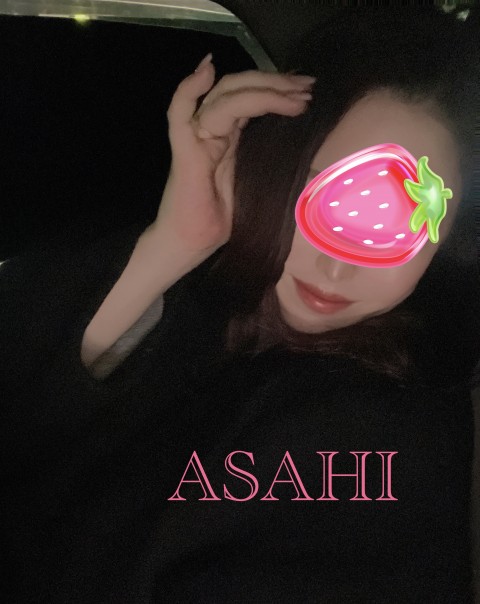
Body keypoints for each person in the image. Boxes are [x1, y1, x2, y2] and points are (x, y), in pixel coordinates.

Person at [1, 6, 480, 603]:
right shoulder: (204, 301)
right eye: (317, 195)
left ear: (448, 236)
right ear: (274, 167)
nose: (335, 268)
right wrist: (172, 246)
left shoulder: (389, 435)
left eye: (400, 223)